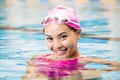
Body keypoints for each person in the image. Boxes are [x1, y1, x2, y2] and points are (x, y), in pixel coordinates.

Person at [21, 5, 120, 80]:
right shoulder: (39, 58)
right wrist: (31, 70)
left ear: (78, 33)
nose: (57, 45)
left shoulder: (83, 60)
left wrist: (86, 74)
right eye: (50, 38)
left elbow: (117, 66)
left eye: (63, 37)